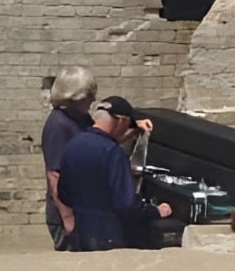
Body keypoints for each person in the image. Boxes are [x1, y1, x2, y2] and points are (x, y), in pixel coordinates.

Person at [56, 96, 175, 251]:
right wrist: (155, 211)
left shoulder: (72, 145)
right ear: (121, 121)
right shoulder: (113, 153)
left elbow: (63, 193)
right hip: (109, 235)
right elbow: (125, 204)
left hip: (80, 232)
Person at [40, 67, 96, 250]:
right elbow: (54, 175)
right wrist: (68, 218)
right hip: (69, 212)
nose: (93, 99)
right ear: (74, 97)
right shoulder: (59, 125)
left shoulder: (81, 118)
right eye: (89, 95)